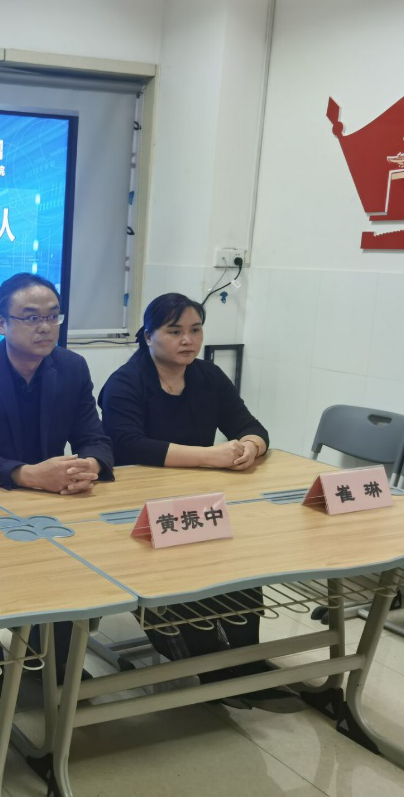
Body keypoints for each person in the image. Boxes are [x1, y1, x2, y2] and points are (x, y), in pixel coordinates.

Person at [99, 292, 302, 712]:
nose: (187, 340)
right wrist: (210, 456)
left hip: (200, 503)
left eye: (195, 330)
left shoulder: (208, 376)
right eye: (174, 331)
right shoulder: (124, 383)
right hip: (140, 509)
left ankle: (246, 661)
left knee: (237, 565)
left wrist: (250, 446)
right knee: (180, 579)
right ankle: (208, 668)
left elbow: (250, 425)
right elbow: (130, 445)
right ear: (148, 335)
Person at [0, 273, 114, 683]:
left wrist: (91, 465)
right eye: (32, 317)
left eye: (53, 316)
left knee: (82, 556)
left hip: (56, 504)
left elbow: (95, 438)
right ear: (1, 323)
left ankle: (52, 664)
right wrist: (28, 475)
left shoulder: (72, 367)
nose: (45, 327)